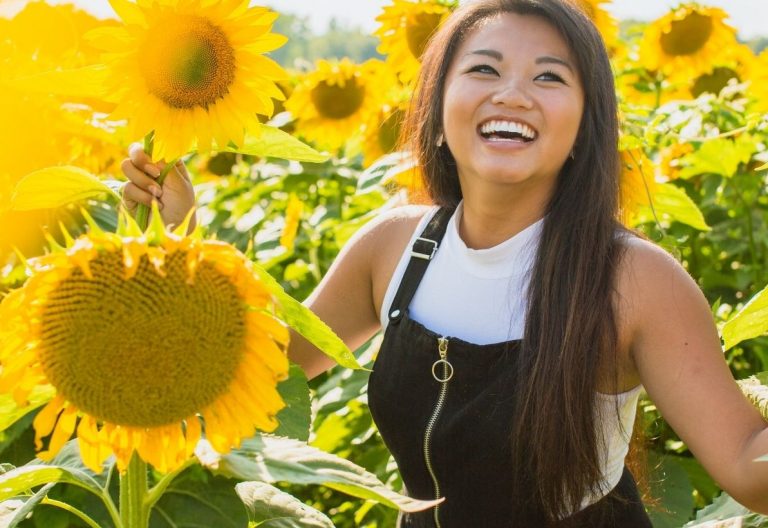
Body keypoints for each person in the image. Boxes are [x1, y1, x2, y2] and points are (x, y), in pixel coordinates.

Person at [121, 0, 768, 526]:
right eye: (484, 70)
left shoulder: (633, 280)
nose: (513, 93)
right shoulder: (394, 247)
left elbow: (744, 460)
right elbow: (271, 363)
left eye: (549, 76)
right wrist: (182, 232)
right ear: (435, 110)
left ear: (585, 126)